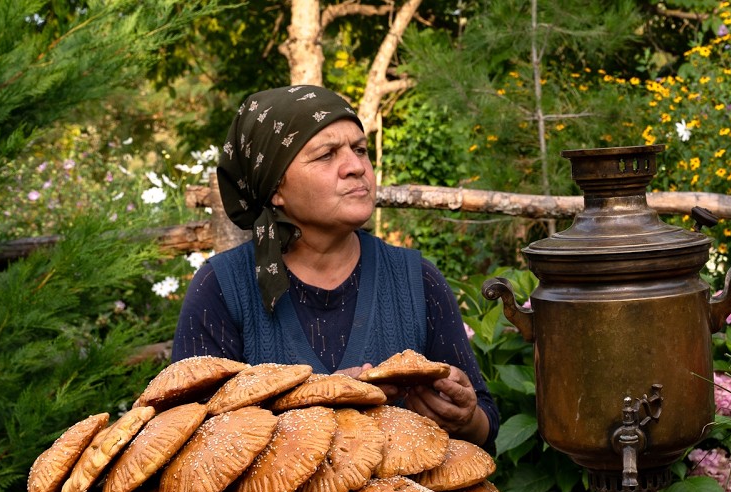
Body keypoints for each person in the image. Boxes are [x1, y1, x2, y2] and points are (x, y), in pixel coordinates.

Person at [172, 85, 497, 447]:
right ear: (275, 187)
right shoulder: (222, 288)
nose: (356, 167)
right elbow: (186, 439)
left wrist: (466, 418)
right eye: (326, 154)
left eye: (359, 150)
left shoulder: (416, 280)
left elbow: (484, 423)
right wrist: (317, 404)